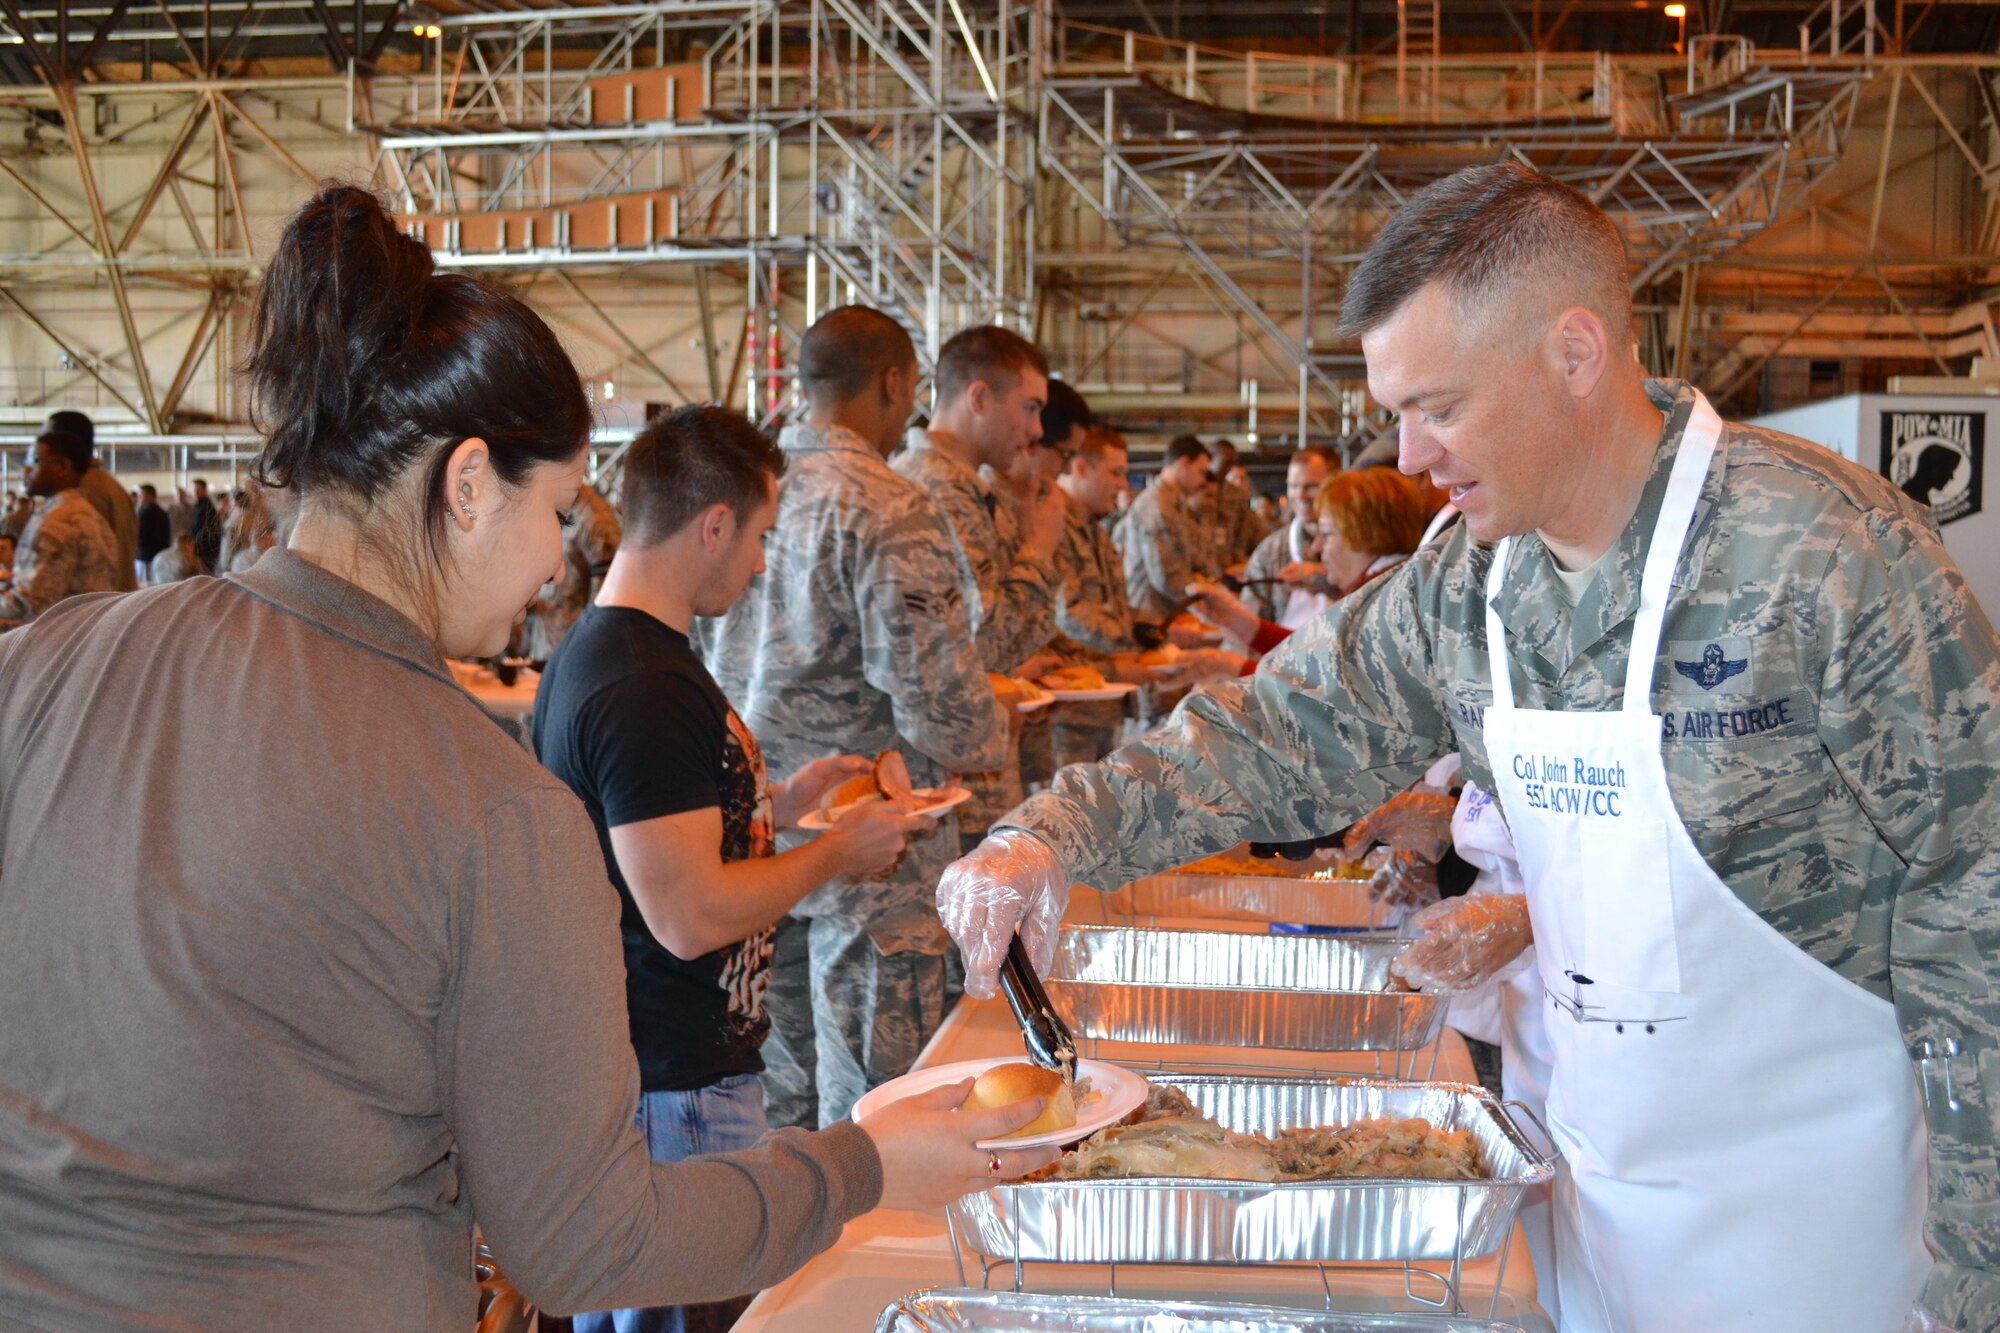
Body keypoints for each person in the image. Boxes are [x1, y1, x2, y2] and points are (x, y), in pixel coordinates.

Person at [938, 161, 2000, 1332]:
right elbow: (1276, 729)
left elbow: (1979, 916)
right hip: (1590, 1215)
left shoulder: (1825, 558)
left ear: (1573, 354)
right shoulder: (1475, 578)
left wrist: (1976, 1281)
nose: (1405, 455)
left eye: (1437, 406)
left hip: (1824, 1248)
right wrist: (1046, 836)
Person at [0, 187, 1054, 1331]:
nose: (559, 562)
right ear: (464, 485)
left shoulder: (43, 666)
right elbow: (587, 1242)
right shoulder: (489, 805)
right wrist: (863, 1165)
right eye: (555, 508)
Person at [537, 405, 940, 1333]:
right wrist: (836, 852)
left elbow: (655, 830)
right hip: (673, 1084)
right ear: (712, 524)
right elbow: (686, 911)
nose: (761, 563)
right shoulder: (642, 682)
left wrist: (779, 802)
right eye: (758, 536)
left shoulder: (629, 658)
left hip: (670, 1070)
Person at [698, 305, 1012, 1130]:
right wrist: (990, 730)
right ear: (896, 382)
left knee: (770, 1106)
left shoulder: (733, 490)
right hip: (868, 853)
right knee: (875, 1117)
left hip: (754, 842)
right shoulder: (888, 503)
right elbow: (939, 698)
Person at [1187, 467, 1441, 663]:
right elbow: (1313, 655)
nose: (1317, 547)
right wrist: (1233, 618)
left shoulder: (1379, 605)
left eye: (1327, 534)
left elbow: (1312, 675)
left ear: (1364, 536)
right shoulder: (1379, 588)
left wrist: (1226, 665)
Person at [0, 430, 121, 631]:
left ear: (63, 467)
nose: (26, 468)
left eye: (35, 460)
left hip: (59, 644)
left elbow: (30, 602)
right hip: (87, 635)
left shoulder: (57, 521)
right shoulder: (90, 515)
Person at [519, 479, 621, 665]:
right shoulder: (547, 507)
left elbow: (608, 596)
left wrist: (590, 646)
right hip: (543, 649)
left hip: (577, 653)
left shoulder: (595, 517)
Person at [1241, 444, 1339, 628]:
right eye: (1293, 486)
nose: (1300, 495)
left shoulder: (1361, 548)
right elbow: (1249, 625)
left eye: (1311, 486)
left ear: (1336, 484)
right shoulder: (1269, 553)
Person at [1118, 434, 1210, 620]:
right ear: (1184, 462)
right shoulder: (1158, 505)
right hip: (1152, 615)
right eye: (1201, 472)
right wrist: (1209, 600)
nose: (1202, 481)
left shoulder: (1174, 504)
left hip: (1167, 611)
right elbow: (1166, 577)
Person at [45, 409, 138, 592]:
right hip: (118, 600)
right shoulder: (111, 485)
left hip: (98, 607)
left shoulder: (81, 490)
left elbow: (90, 561)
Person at [135, 482, 172, 575]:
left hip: (145, 556)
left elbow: (139, 535)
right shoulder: (163, 513)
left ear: (150, 495)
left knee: (145, 585)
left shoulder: (144, 513)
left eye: (141, 494)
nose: (139, 497)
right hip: (160, 557)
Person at [188, 476, 221, 573]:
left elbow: (203, 530)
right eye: (194, 490)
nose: (195, 492)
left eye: (198, 489)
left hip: (206, 551)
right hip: (201, 549)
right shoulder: (199, 506)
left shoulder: (207, 508)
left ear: (204, 490)